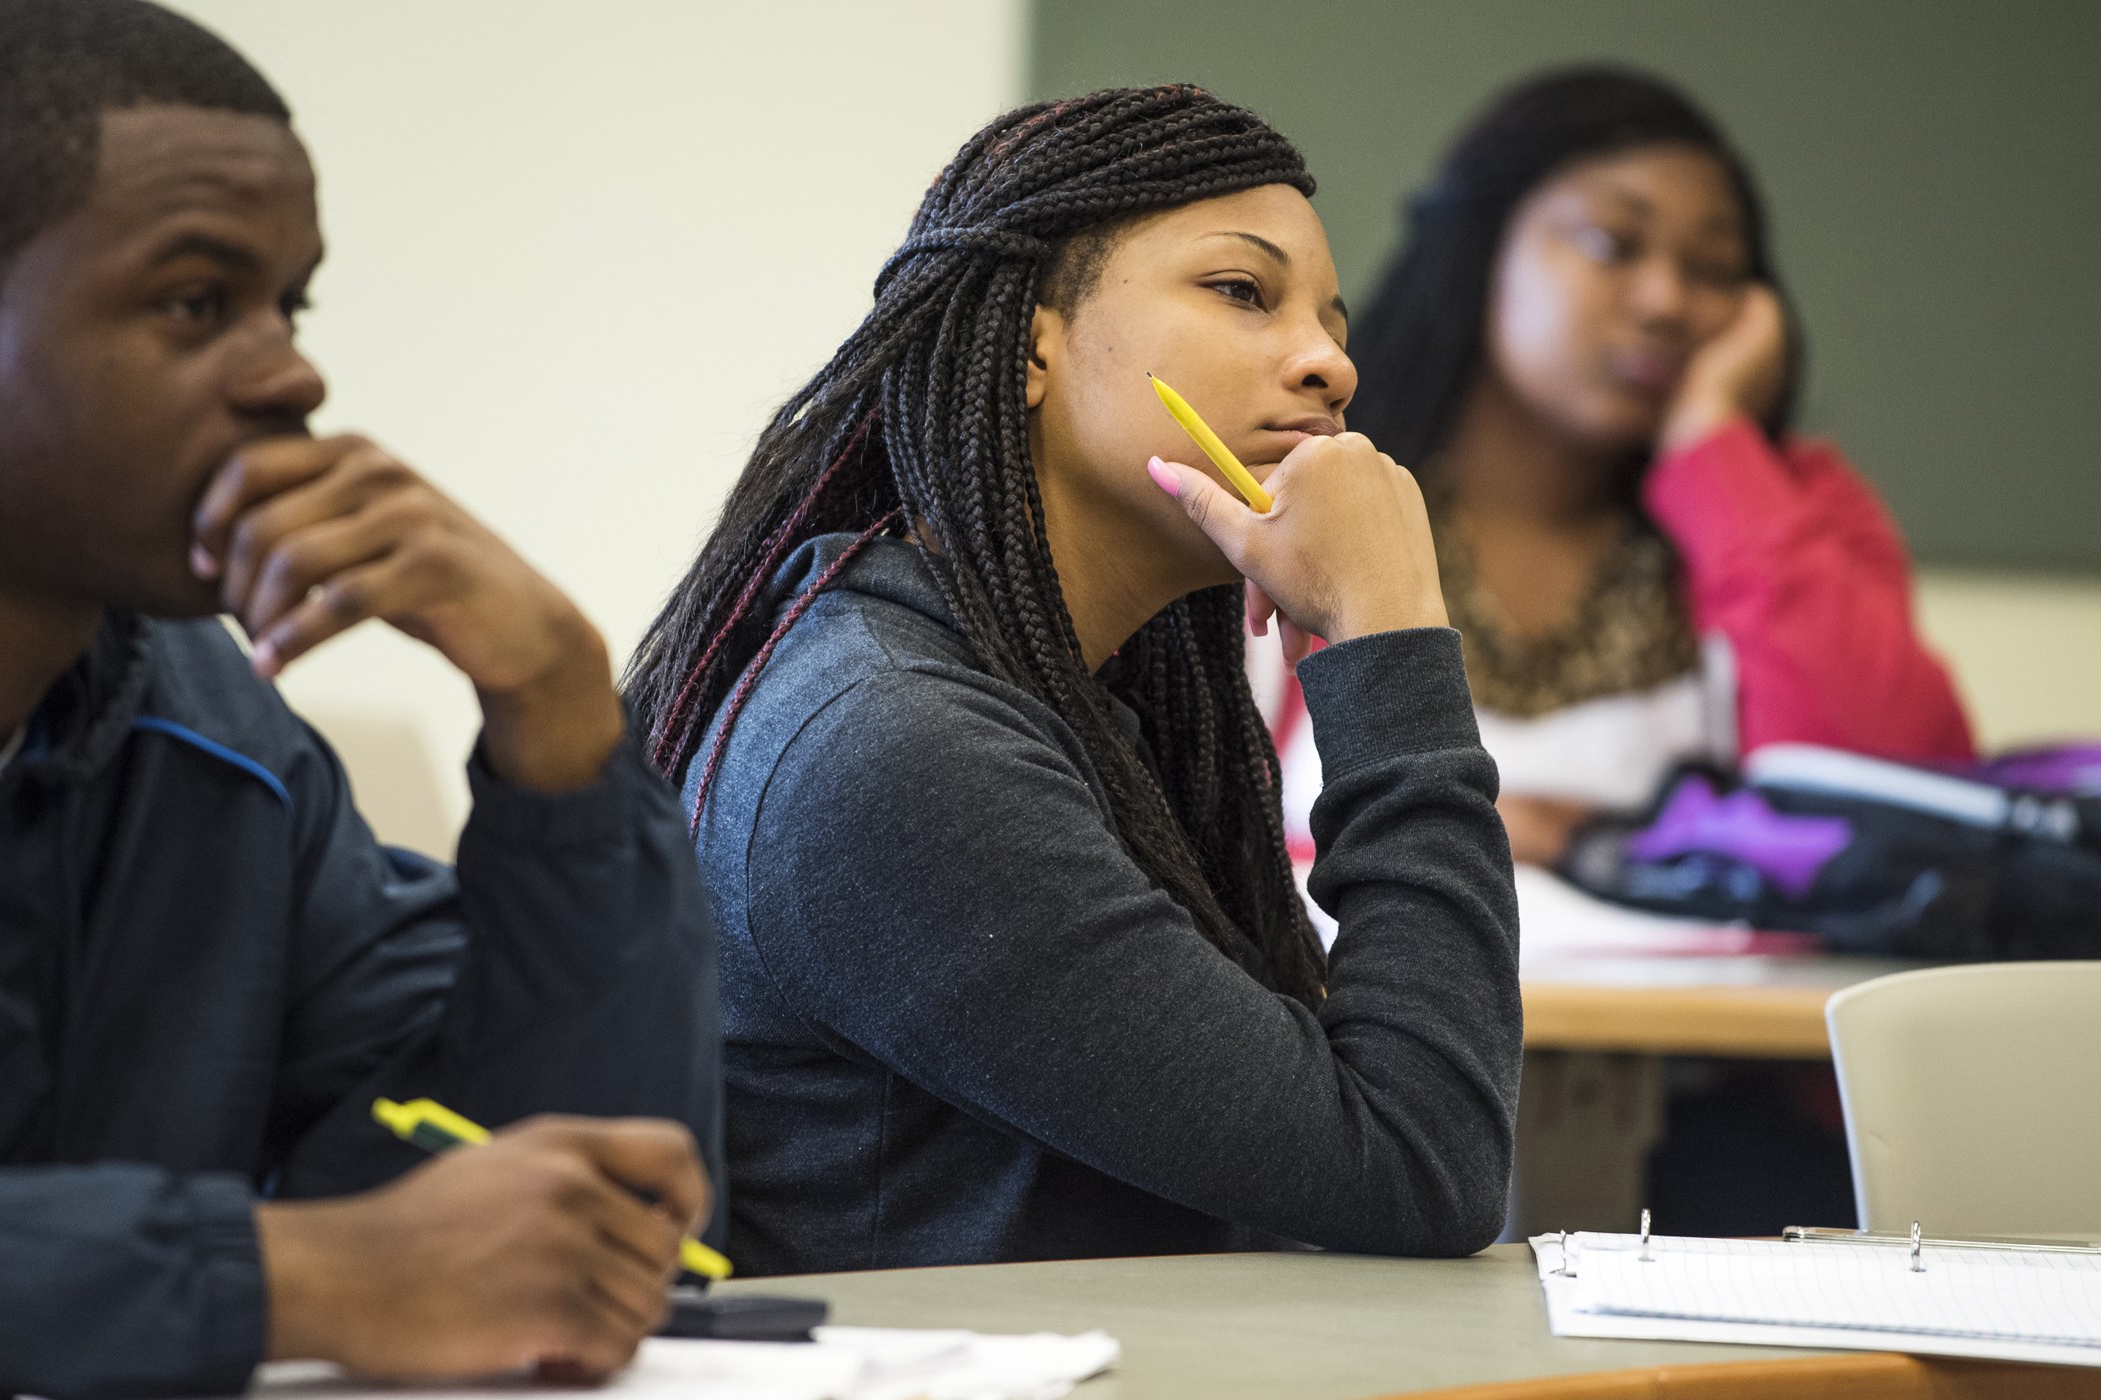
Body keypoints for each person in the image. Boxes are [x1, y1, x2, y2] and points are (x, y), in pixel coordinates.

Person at [0, 1, 718, 1393]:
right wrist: (282, 1277)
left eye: (289, 302)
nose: (293, 372)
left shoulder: (212, 731)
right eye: (197, 302)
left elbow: (588, 1238)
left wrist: (560, 721)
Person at [625, 86, 1520, 1277]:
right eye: (1243, 291)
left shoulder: (1073, 701)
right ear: (1032, 342)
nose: (1329, 365)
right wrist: (1389, 635)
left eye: (1332, 321)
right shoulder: (895, 742)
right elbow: (1421, 1166)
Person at [1256, 67, 1975, 872]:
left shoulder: (1790, 507)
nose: (1668, 300)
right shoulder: (1294, 484)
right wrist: (1452, 832)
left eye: (1712, 269)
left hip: (1713, 1001)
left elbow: (1893, 814)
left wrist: (1715, 453)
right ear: (1482, 249)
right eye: (1613, 244)